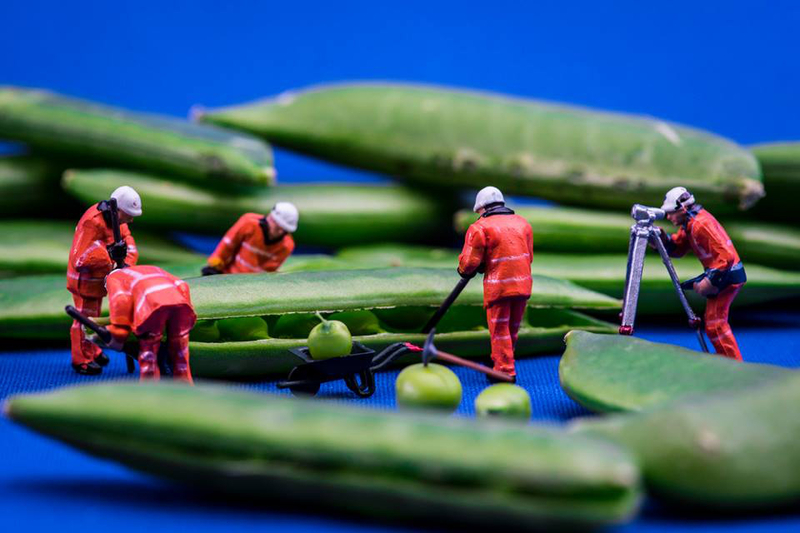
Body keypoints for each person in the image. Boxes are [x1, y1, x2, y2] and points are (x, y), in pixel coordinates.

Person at [657, 186, 747, 360]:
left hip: (728, 276)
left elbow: (726, 256)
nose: (668, 217)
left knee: (716, 325)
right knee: (714, 324)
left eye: (670, 213)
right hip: (722, 273)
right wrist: (662, 240)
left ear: (682, 209)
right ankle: (727, 361)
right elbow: (679, 248)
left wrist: (710, 281)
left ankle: (734, 366)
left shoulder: (701, 224)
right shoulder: (689, 224)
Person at [457, 186, 533, 382]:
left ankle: (504, 370)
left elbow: (470, 262)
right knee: (512, 327)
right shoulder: (523, 223)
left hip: (499, 287)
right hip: (523, 284)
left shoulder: (480, 228)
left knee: (499, 330)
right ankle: (502, 358)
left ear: (481, 208)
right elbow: (529, 256)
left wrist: (464, 270)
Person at [67, 186, 141, 375]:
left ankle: (91, 349)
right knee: (84, 320)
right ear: (118, 210)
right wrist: (110, 255)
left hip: (100, 282)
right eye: (129, 215)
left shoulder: (119, 221)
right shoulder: (92, 222)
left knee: (95, 316)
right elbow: (80, 258)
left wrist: (126, 264)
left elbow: (128, 241)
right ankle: (81, 358)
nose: (131, 220)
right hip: (85, 282)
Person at [98, 265, 196, 383]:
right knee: (180, 349)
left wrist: (119, 328)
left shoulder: (113, 278)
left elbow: (120, 300)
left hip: (152, 307)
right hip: (180, 303)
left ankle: (149, 386)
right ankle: (185, 384)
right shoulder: (149, 268)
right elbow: (182, 284)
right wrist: (187, 308)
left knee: (149, 350)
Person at [202, 202, 298, 275]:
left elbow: (269, 271)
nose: (280, 232)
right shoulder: (249, 223)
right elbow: (227, 245)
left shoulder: (287, 246)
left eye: (285, 231)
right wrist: (214, 265)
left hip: (251, 284)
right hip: (227, 274)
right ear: (270, 218)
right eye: (278, 228)